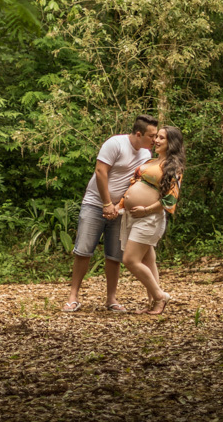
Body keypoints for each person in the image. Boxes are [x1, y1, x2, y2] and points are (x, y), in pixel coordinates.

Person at [62, 114, 158, 313]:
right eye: (151, 136)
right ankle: (73, 297)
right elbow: (100, 171)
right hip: (95, 204)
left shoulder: (146, 155)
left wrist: (118, 205)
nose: (155, 140)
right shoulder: (115, 143)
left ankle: (111, 299)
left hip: (120, 210)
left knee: (114, 254)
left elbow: (136, 183)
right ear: (138, 134)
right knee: (83, 250)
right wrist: (106, 203)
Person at [115, 124, 185, 315]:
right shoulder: (151, 161)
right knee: (147, 261)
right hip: (133, 217)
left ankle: (160, 296)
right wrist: (120, 205)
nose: (156, 141)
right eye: (157, 137)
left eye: (162, 138)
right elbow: (133, 185)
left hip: (150, 218)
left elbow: (170, 199)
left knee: (130, 260)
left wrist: (146, 210)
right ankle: (153, 303)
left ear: (171, 142)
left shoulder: (174, 167)